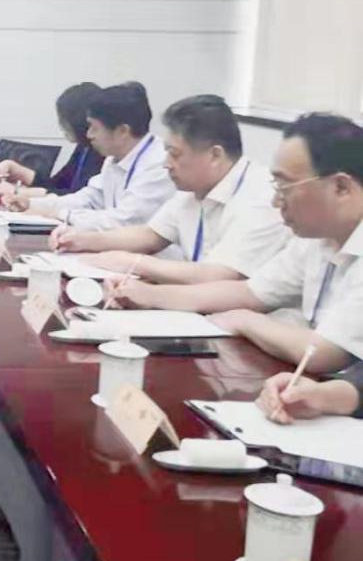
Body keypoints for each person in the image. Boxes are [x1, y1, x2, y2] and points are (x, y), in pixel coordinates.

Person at [108, 113, 363, 374]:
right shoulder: (317, 238)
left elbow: (326, 353)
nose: (276, 201)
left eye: (284, 186)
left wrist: (245, 320)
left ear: (341, 187)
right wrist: (149, 295)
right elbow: (250, 293)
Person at [50, 95, 288, 283]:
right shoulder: (191, 189)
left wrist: (134, 264)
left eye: (174, 154)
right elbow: (150, 235)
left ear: (215, 155)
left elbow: (222, 275)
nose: (166, 164)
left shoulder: (261, 197)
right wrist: (85, 240)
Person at [5, 81, 174, 229]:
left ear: (122, 131)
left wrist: (62, 214)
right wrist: (33, 204)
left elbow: (123, 221)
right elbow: (89, 199)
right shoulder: (114, 157)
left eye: (95, 128)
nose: (89, 134)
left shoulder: (158, 164)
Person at [0, 82, 104, 199]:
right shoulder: (84, 148)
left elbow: (78, 198)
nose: (61, 125)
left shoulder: (102, 152)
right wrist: (17, 170)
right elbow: (58, 185)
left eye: (64, 119)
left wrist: (18, 191)